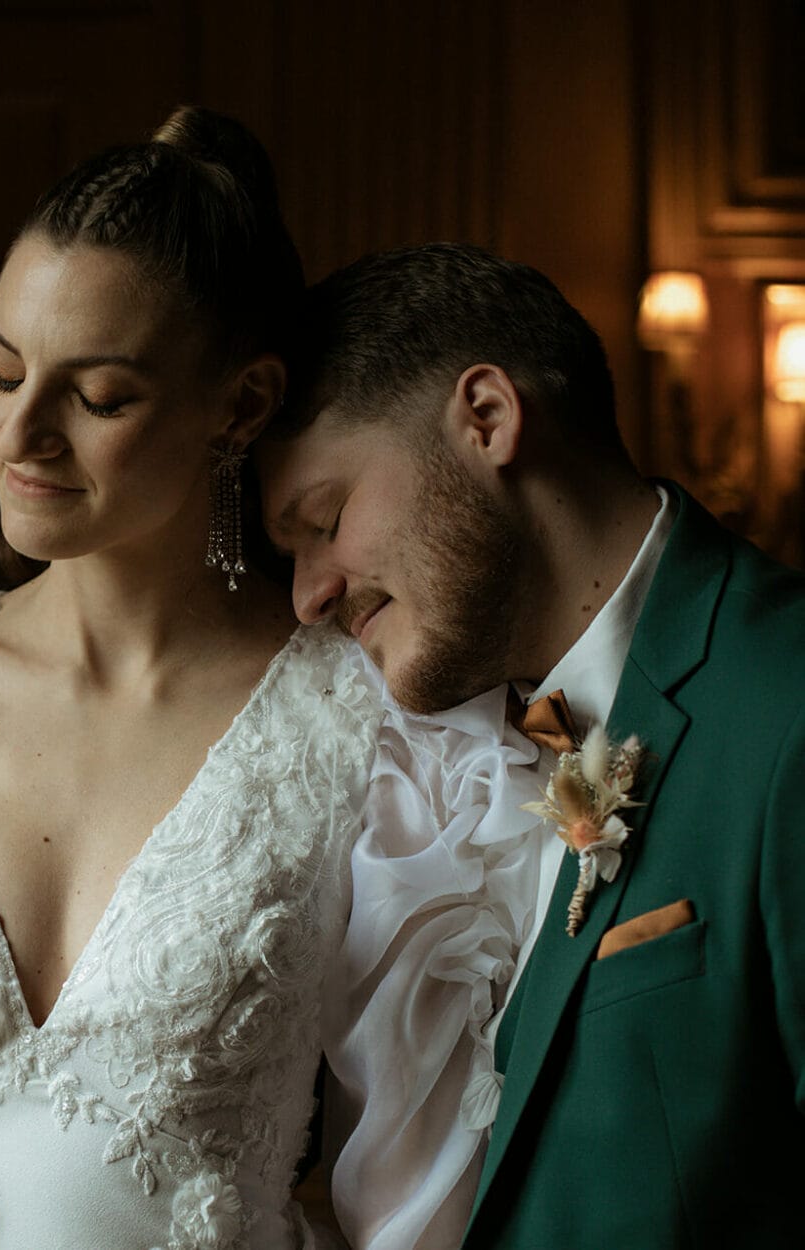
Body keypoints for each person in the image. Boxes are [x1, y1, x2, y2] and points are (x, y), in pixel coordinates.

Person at [0, 114, 535, 1250]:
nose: (20, 432)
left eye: (98, 396)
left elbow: (418, 1192)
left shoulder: (372, 734)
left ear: (239, 404)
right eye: (1, 368)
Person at [256, 241, 805, 1249]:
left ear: (488, 419)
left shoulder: (787, 705)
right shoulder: (436, 771)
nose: (310, 593)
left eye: (325, 518)